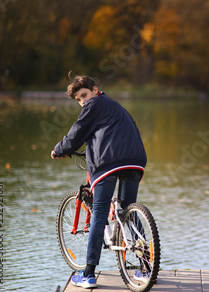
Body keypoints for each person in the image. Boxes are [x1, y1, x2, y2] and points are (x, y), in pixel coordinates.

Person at [51, 75, 147, 289]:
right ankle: (146, 266)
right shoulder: (115, 106)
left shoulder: (94, 105)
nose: (83, 101)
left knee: (100, 211)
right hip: (135, 160)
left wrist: (58, 150)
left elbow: (76, 134)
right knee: (128, 213)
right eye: (78, 99)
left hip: (109, 162)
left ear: (95, 90)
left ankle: (88, 273)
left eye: (84, 95)